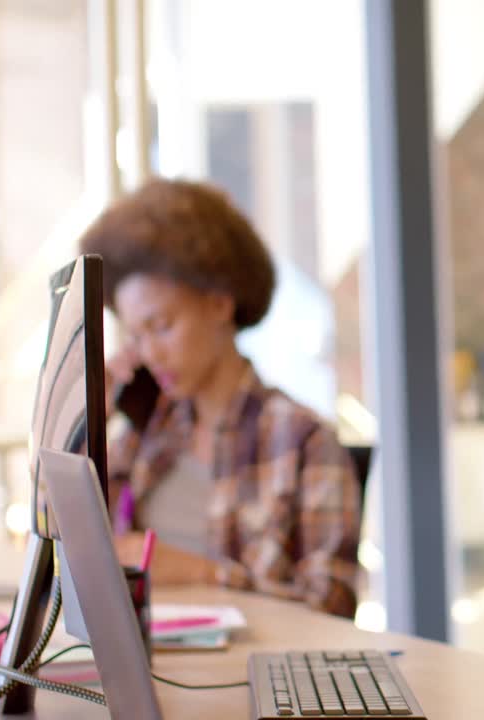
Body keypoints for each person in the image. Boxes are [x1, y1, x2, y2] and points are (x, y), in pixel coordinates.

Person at [80, 178, 362, 618]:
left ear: (219, 303)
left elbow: (332, 606)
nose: (150, 353)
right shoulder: (147, 433)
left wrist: (204, 572)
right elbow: (72, 538)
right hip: (151, 664)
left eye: (162, 326)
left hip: (246, 675)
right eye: (137, 335)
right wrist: (89, 414)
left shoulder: (303, 440)